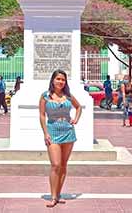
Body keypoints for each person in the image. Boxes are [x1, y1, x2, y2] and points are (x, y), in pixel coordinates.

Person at [39, 69, 81, 208]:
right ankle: (52, 196)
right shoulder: (45, 96)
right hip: (53, 130)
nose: (61, 82)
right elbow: (42, 115)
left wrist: (75, 119)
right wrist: (45, 133)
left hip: (68, 131)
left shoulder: (68, 96)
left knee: (63, 164)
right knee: (55, 164)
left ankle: (58, 194)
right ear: (53, 80)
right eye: (58, 79)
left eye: (63, 79)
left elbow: (78, 106)